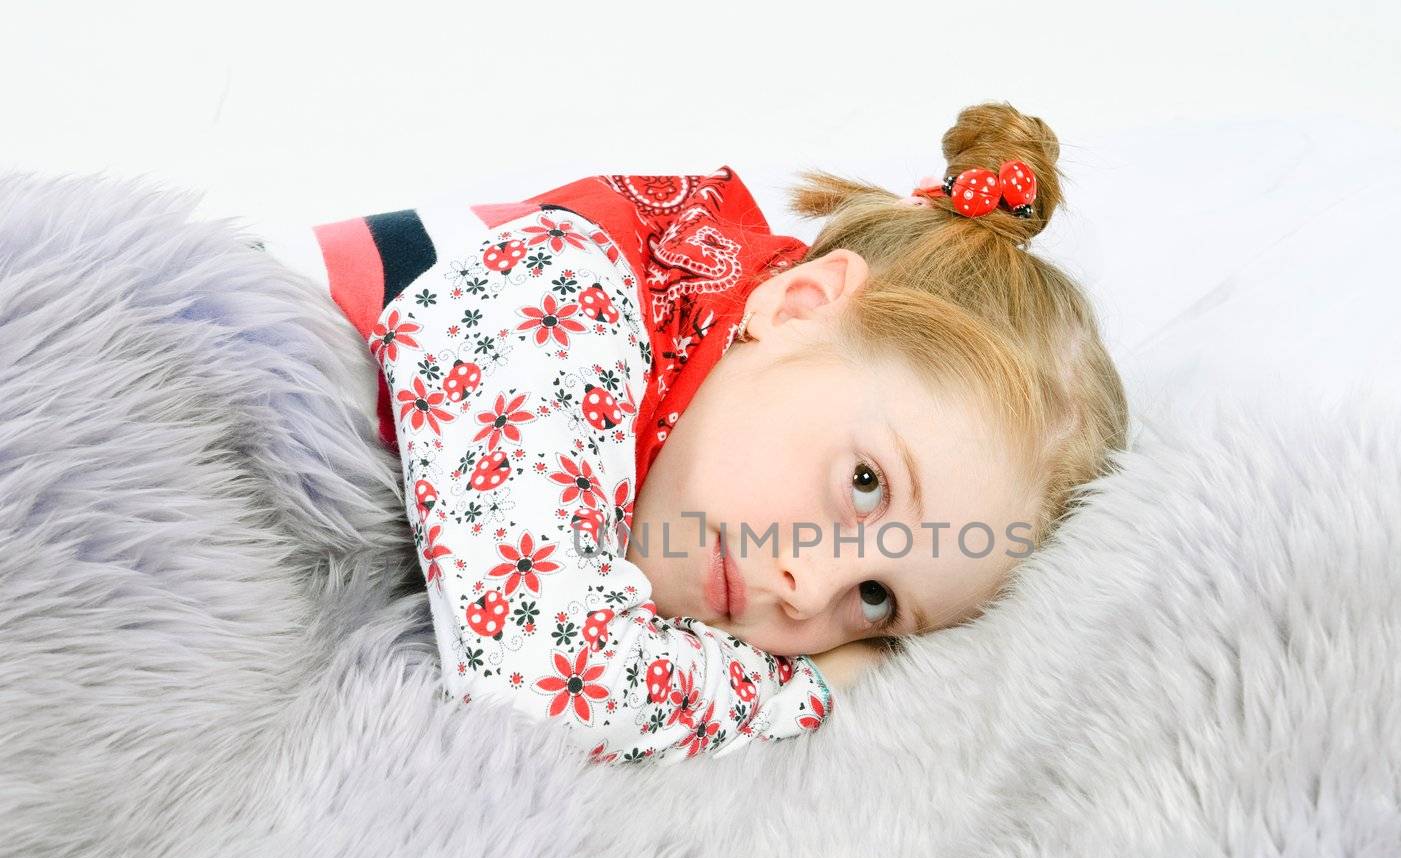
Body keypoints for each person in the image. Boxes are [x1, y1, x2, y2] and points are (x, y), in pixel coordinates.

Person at [311, 100, 1129, 765]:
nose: (809, 591)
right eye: (865, 483)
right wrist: (817, 688)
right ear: (797, 306)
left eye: (874, 602)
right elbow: (544, 685)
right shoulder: (565, 291)